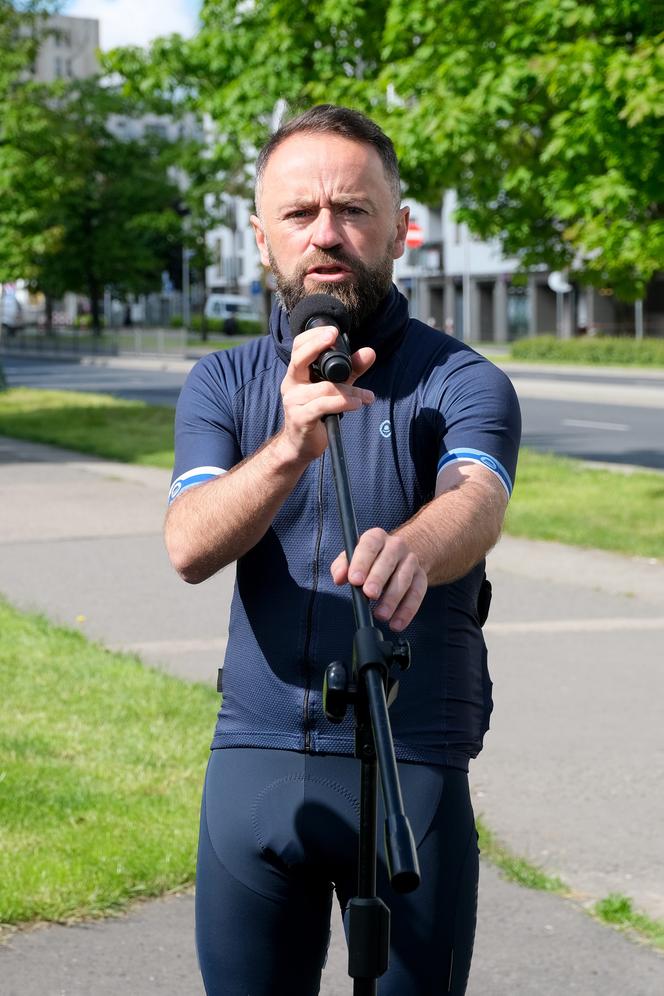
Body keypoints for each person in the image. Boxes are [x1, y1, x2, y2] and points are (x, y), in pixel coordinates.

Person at [165, 104, 521, 996]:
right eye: (299, 214)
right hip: (253, 763)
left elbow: (476, 498)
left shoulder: (463, 379)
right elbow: (188, 545)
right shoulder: (224, 383)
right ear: (261, 237)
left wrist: (411, 549)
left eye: (353, 210)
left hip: (412, 767)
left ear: (401, 229)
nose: (327, 234)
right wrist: (284, 448)